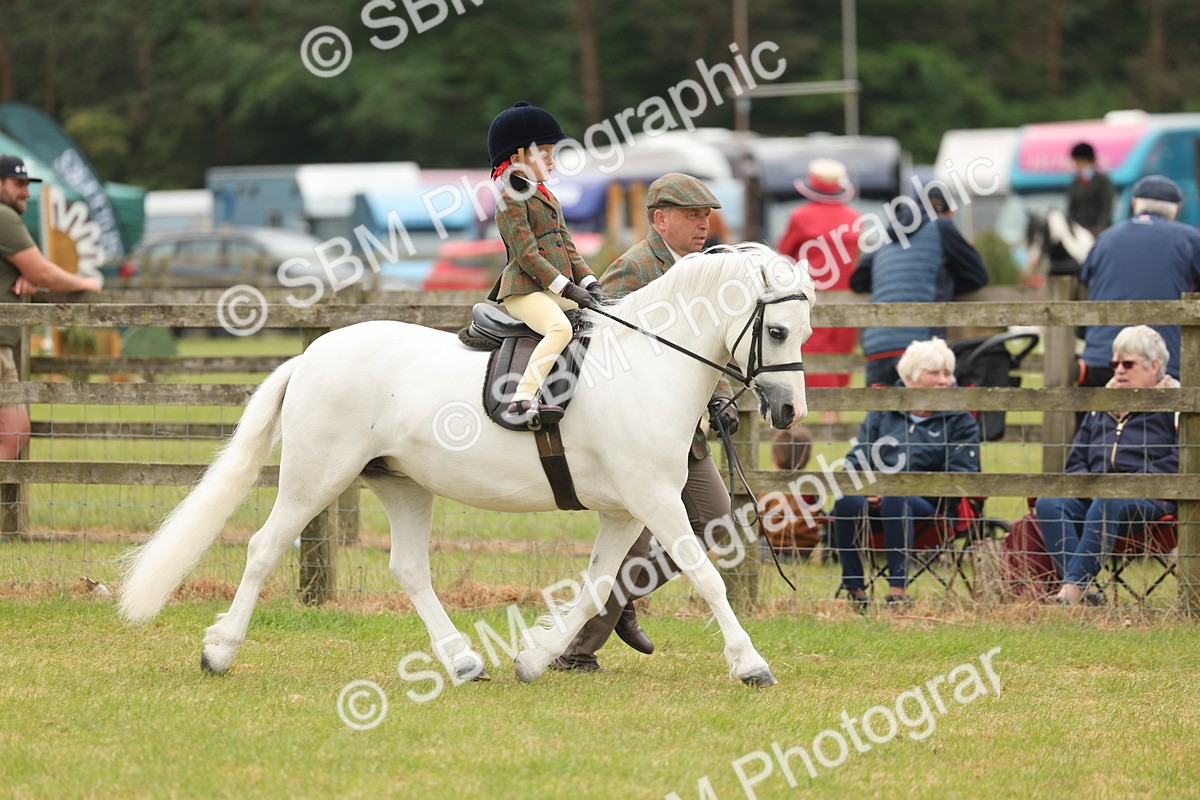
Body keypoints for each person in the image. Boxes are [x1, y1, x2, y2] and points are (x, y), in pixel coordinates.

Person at [550, 172, 736, 672]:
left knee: (715, 521)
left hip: (681, 435)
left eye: (706, 216)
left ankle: (618, 602)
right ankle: (575, 651)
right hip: (631, 437)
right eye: (692, 216)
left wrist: (718, 396)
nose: (703, 225)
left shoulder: (700, 270)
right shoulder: (636, 268)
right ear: (660, 218)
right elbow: (592, 336)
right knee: (634, 540)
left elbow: (702, 350)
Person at [829, 338, 980, 608]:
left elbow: (962, 477)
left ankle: (898, 592)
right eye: (935, 373)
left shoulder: (961, 419)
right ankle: (855, 591)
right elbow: (857, 459)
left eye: (948, 373)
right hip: (876, 499)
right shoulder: (883, 412)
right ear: (909, 379)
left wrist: (896, 488)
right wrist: (866, 488)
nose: (945, 381)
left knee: (896, 497)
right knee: (846, 499)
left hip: (932, 508)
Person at [1035, 326, 1178, 606]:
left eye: (1128, 363)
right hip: (1095, 498)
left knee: (1108, 501)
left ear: (1155, 367)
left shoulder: (1177, 405)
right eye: (1115, 364)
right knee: (1049, 502)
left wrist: (1129, 484)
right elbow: (1076, 462)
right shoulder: (1100, 405)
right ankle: (1084, 591)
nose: (1119, 370)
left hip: (1151, 502)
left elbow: (1180, 460)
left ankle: (1070, 593)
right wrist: (1088, 484)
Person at [485, 102, 600, 427]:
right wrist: (568, 287)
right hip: (524, 291)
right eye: (544, 151)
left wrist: (590, 282)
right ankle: (522, 399)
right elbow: (528, 256)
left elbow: (567, 245)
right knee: (559, 328)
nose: (552, 158)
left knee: (603, 318)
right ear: (519, 155)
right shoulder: (510, 200)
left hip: (554, 288)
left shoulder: (547, 196)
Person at [0, 155, 101, 460]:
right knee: (14, 430)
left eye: (27, 185)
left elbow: (32, 271)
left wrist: (23, 274)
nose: (26, 192)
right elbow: (42, 271)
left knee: (13, 430)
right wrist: (81, 283)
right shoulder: (3, 217)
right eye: (18, 184)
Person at [850, 187, 988, 388]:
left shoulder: (890, 235)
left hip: (877, 344)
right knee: (935, 414)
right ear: (949, 212)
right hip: (921, 345)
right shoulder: (942, 226)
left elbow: (857, 280)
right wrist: (947, 282)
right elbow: (978, 275)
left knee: (880, 417)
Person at [1075, 175, 1200, 388]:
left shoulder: (1104, 239)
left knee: (1099, 421)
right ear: (1177, 208)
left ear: (1134, 203)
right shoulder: (1190, 239)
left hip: (1103, 360)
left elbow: (1084, 284)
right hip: (1164, 365)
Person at [778, 158, 861, 394]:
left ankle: (820, 414)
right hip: (847, 297)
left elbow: (784, 256)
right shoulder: (855, 218)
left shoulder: (800, 217)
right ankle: (833, 415)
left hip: (811, 295)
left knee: (813, 350)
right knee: (841, 350)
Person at [760, 427, 824, 562]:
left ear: (775, 458)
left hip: (774, 550)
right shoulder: (810, 487)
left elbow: (759, 524)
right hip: (804, 552)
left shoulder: (769, 489)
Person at [1066, 142, 1115, 237]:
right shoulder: (1074, 183)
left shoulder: (1102, 181)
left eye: (1079, 161)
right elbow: (1071, 208)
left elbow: (1106, 207)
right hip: (1080, 233)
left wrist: (1099, 227)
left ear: (1087, 160)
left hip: (1099, 231)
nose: (1076, 165)